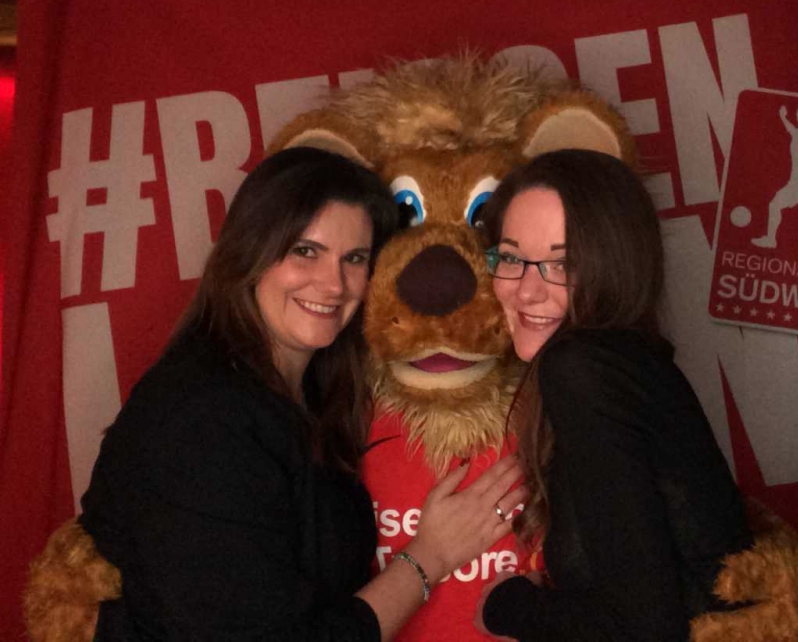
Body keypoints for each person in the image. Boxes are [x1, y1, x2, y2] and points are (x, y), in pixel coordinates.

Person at [77, 146, 526, 641]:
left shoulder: (315, 392)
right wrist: (428, 557)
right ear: (250, 253)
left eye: (354, 259)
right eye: (305, 251)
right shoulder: (202, 417)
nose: (333, 284)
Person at [473, 149, 752, 641]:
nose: (526, 291)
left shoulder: (580, 368)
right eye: (512, 258)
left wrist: (506, 605)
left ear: (616, 268)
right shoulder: (627, 363)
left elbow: (644, 632)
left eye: (562, 264)